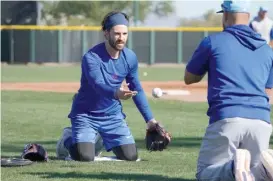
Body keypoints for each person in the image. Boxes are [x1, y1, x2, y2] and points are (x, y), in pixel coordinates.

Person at [184, 1, 273, 181]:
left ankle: (233, 168)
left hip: (228, 116)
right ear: (248, 16)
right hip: (261, 121)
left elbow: (189, 78)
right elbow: (267, 87)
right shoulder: (267, 49)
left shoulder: (213, 42)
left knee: (205, 174)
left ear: (225, 15)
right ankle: (264, 170)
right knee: (252, 176)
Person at [56, 11, 161, 161]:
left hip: (112, 116)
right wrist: (117, 93)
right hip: (86, 114)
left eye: (125, 33)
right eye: (117, 34)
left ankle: (98, 139)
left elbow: (136, 88)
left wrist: (150, 120)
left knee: (130, 156)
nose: (121, 38)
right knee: (84, 156)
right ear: (106, 33)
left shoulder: (130, 57)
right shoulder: (91, 57)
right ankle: (67, 139)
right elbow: (97, 84)